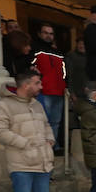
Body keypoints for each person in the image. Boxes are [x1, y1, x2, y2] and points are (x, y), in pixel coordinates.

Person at [32, 24, 67, 153]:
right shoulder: (34, 50)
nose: (48, 35)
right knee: (43, 121)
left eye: (51, 33)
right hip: (43, 91)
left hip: (59, 91)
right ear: (40, 34)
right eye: (45, 33)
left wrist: (65, 86)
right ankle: (43, 147)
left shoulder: (58, 53)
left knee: (56, 122)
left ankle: (54, 146)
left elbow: (64, 72)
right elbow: (30, 69)